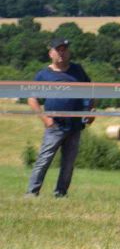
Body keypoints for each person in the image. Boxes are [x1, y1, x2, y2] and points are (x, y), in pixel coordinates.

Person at [25, 37, 95, 198]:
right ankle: (31, 192)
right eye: (58, 50)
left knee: (69, 163)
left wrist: (91, 111)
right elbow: (32, 98)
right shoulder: (43, 75)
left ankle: (61, 193)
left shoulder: (78, 70)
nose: (62, 53)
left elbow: (92, 91)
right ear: (51, 53)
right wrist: (45, 119)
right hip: (55, 125)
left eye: (65, 49)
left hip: (75, 124)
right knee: (44, 159)